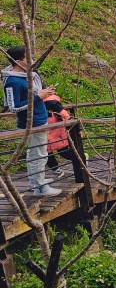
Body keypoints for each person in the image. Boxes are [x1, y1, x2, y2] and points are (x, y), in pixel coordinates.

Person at [2, 46, 59, 196]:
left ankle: (38, 184)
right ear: (19, 61)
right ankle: (40, 187)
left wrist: (43, 94)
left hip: (39, 118)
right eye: (28, 58)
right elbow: (13, 107)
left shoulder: (26, 75)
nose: (32, 60)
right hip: (32, 123)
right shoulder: (13, 81)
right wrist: (38, 96)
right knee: (38, 154)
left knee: (37, 153)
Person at [44, 95, 74, 178]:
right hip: (46, 132)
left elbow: (65, 115)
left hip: (57, 132)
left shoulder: (52, 102)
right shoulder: (36, 101)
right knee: (46, 152)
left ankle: (81, 159)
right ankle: (56, 170)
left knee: (63, 151)